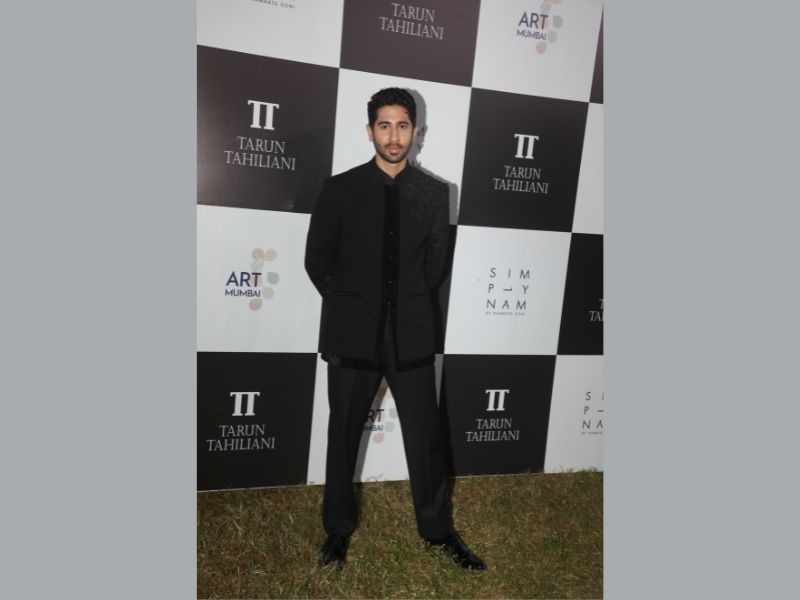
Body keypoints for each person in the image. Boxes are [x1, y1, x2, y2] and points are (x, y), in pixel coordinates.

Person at [304, 88, 485, 571]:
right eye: (384, 125)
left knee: (426, 439)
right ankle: (337, 530)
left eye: (402, 125)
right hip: (351, 336)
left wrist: (404, 307)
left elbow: (434, 269)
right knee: (342, 436)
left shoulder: (435, 194)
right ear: (370, 131)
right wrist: (352, 306)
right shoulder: (340, 189)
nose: (393, 136)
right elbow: (318, 260)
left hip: (412, 336)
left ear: (416, 131)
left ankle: (437, 530)